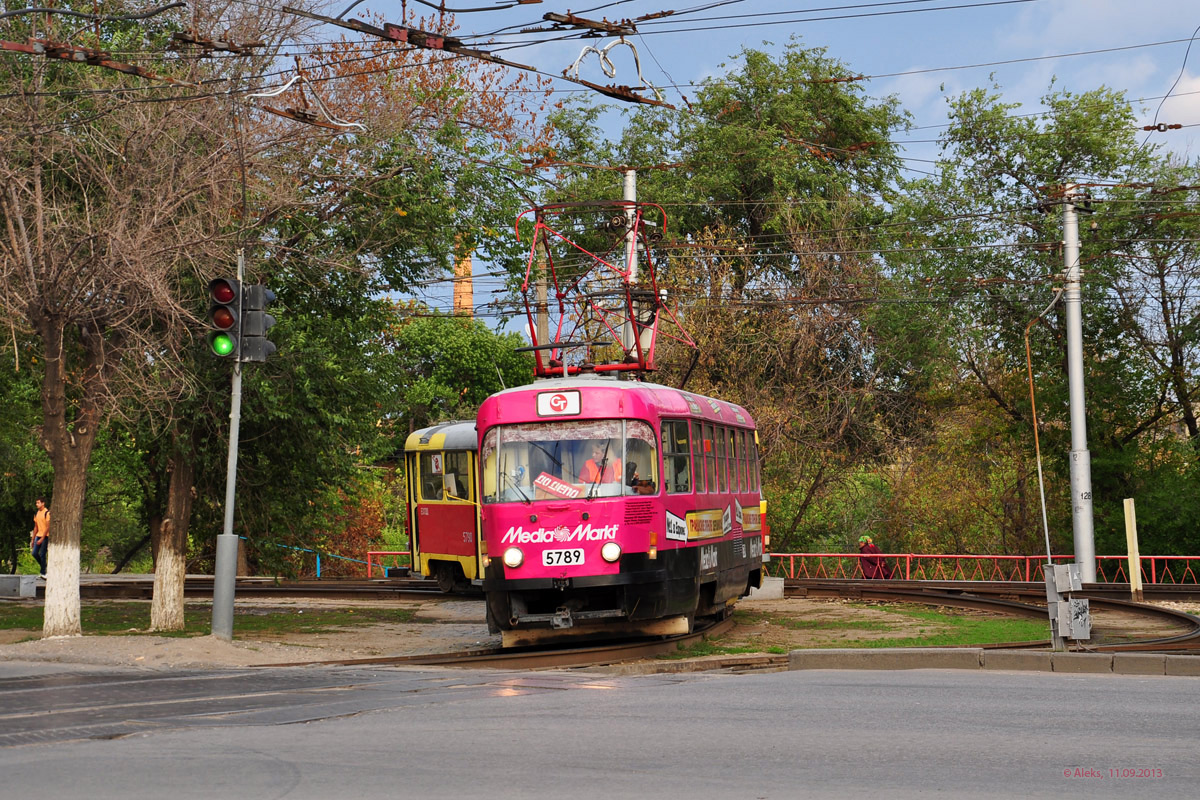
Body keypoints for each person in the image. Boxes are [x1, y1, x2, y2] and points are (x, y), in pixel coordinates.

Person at [30, 497, 49, 578]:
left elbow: (48, 527)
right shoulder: (37, 513)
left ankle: (43, 572)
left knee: (42, 554)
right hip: (38, 535)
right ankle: (44, 566)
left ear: (43, 503)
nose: (36, 504)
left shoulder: (47, 513)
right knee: (34, 553)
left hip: (45, 536)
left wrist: (42, 538)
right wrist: (33, 539)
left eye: (38, 503)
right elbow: (36, 527)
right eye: (36, 503)